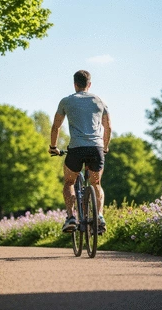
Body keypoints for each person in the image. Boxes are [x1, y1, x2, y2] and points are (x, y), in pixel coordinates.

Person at [49, 70, 112, 233]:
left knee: (69, 182)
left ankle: (71, 217)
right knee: (96, 183)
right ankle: (99, 216)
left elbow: (56, 126)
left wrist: (53, 147)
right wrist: (105, 147)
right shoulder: (99, 101)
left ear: (75, 84)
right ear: (89, 84)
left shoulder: (66, 101)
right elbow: (108, 127)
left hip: (76, 148)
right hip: (96, 148)